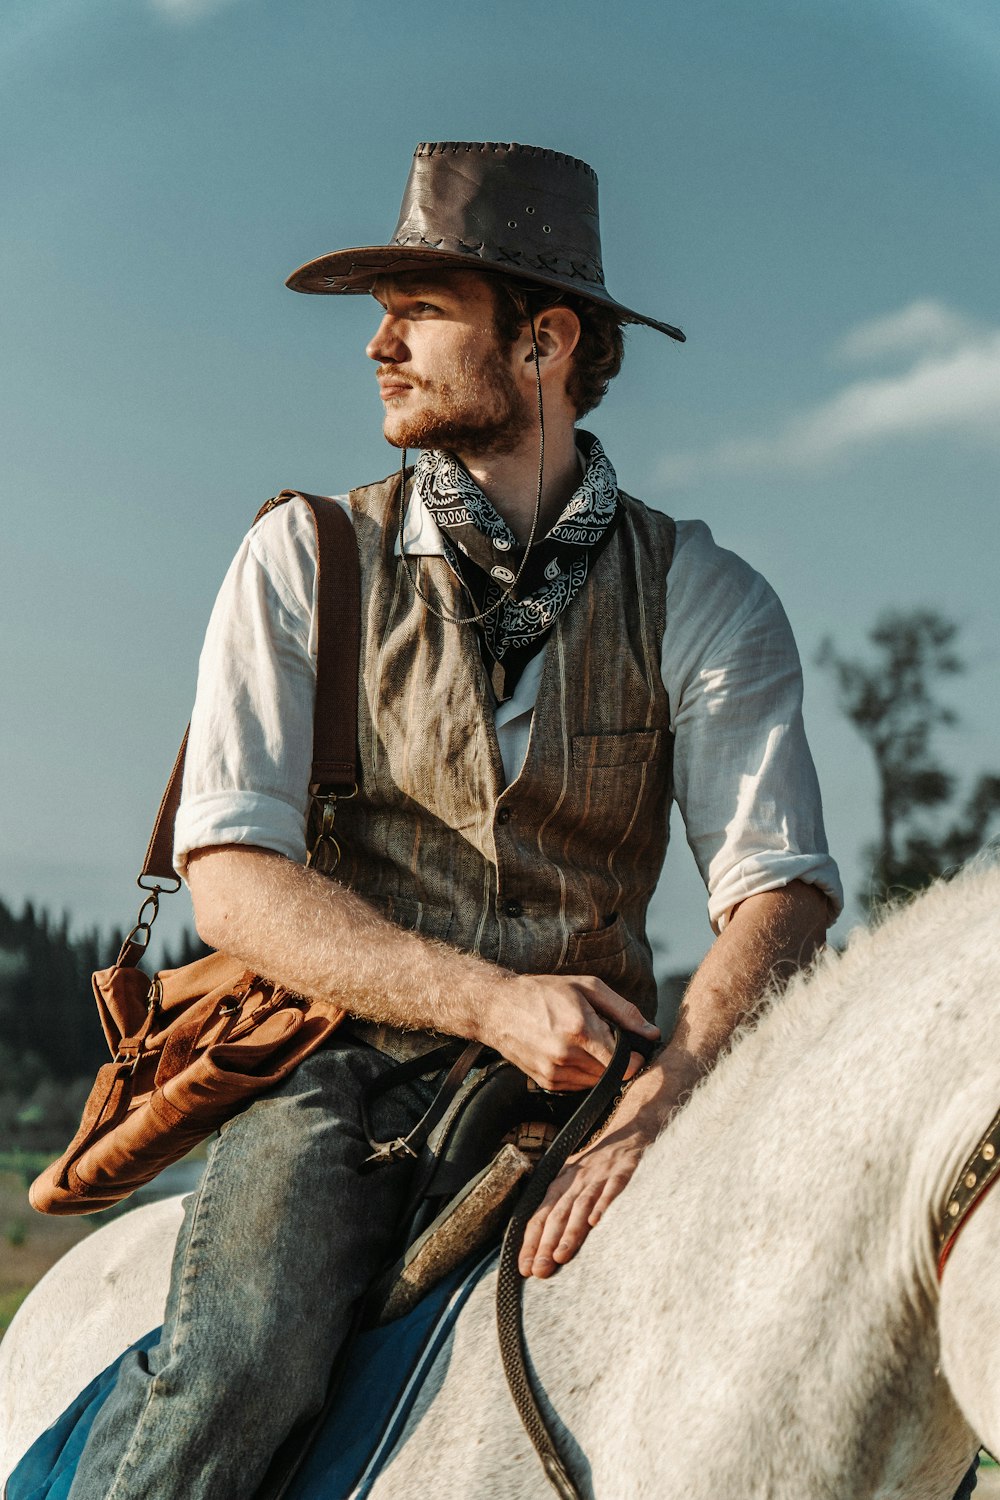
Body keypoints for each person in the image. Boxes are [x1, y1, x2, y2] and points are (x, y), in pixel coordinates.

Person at [69, 140, 843, 1499]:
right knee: (243, 1357)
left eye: (416, 308)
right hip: (331, 1070)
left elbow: (777, 888)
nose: (378, 345)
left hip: (600, 1081)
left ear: (542, 340)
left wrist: (661, 1102)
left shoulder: (709, 594)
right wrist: (486, 1000)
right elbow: (236, 884)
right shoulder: (302, 556)